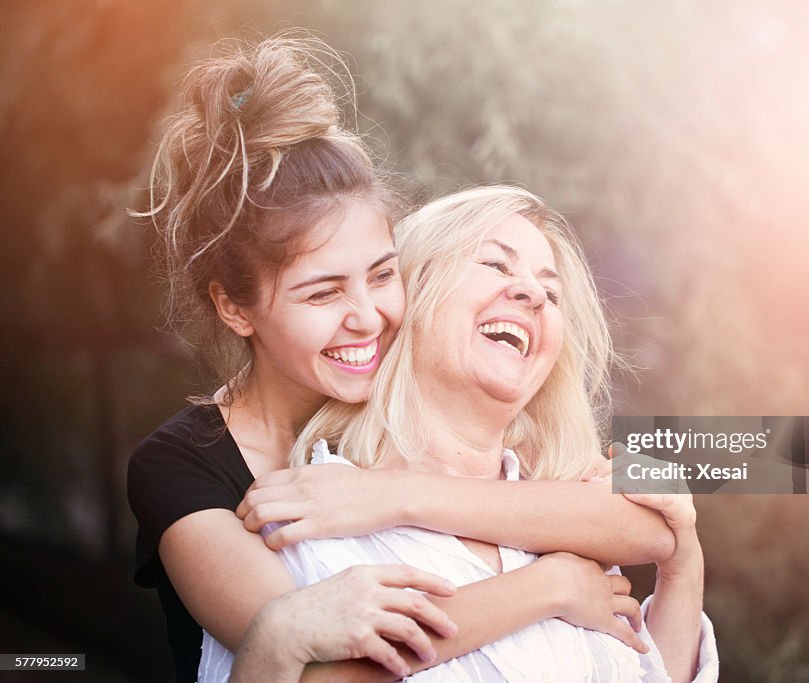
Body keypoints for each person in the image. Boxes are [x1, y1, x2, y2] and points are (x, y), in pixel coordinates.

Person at [127, 34, 694, 683]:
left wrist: (391, 494)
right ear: (234, 308)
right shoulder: (188, 465)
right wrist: (555, 584)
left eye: (382, 275)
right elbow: (315, 667)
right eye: (323, 292)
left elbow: (644, 526)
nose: (369, 317)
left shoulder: (404, 391)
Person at [202, 186, 718, 682]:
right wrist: (549, 588)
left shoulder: (571, 531)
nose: (533, 292)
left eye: (551, 290)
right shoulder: (311, 517)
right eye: (495, 264)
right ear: (412, 294)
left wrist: (683, 562)